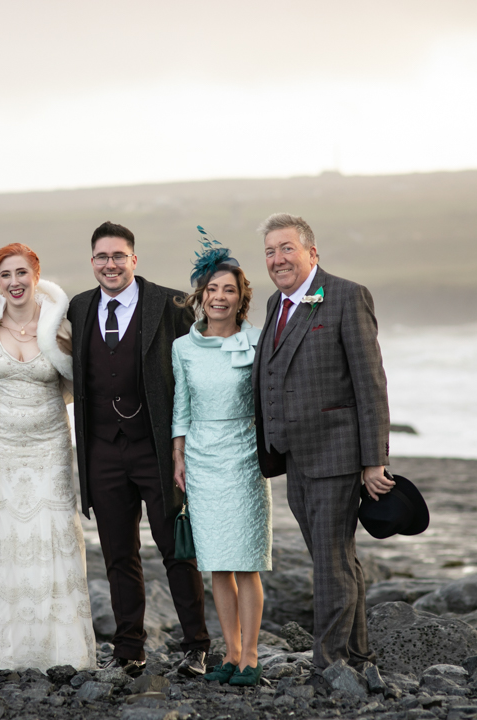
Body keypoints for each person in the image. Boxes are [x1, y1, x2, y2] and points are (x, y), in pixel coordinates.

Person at [0, 243, 96, 671]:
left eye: (21, 273)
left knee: (51, 531)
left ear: (36, 275)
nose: (14, 282)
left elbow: (82, 382)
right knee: (0, 531)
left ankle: (57, 648)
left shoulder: (60, 327)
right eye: (5, 275)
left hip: (50, 446)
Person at [67, 221, 210, 678]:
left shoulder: (170, 304)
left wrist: (189, 445)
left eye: (118, 256)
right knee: (118, 554)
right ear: (92, 262)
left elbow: (196, 372)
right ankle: (129, 649)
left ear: (134, 259)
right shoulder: (79, 307)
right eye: (102, 257)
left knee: (176, 548)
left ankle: (196, 646)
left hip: (158, 449)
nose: (110, 264)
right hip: (102, 451)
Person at [252, 213, 393, 671]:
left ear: (312, 253)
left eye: (287, 248)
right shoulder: (275, 304)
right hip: (294, 456)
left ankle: (329, 662)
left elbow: (370, 382)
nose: (278, 259)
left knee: (331, 563)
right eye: (270, 251)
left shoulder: (347, 296)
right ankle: (358, 655)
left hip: (337, 453)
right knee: (336, 560)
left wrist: (374, 461)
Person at [170, 244, 271, 687]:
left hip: (245, 458)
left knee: (245, 561)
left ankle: (251, 656)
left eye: (228, 290)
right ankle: (229, 653)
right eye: (212, 289)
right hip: (201, 459)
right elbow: (182, 404)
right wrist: (178, 453)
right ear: (201, 295)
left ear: (240, 297)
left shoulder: (259, 340)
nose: (219, 297)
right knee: (216, 564)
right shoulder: (182, 347)